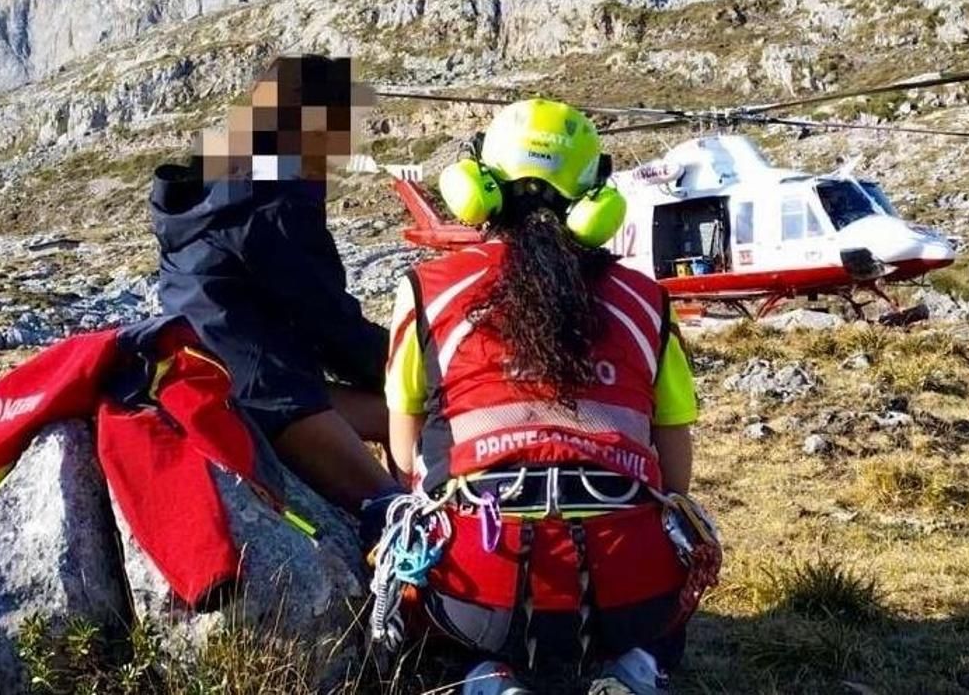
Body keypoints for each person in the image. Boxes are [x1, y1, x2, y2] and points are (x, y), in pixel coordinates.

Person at [377, 99, 719, 695]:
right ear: (597, 195)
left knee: (398, 536)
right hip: (631, 587)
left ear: (478, 183)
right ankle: (632, 668)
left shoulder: (426, 290)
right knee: (671, 564)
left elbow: (408, 461)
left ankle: (485, 674)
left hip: (476, 588)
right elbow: (676, 473)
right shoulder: (647, 300)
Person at [150, 54, 401, 513]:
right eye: (343, 122)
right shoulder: (270, 197)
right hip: (264, 393)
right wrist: (408, 367)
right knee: (397, 512)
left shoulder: (228, 174)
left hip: (221, 377)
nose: (347, 141)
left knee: (399, 414)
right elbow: (325, 319)